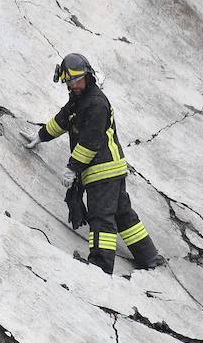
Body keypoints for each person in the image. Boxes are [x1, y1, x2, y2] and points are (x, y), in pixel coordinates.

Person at [22, 53, 165, 274]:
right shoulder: (80, 99)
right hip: (111, 168)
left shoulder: (96, 103)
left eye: (77, 80)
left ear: (88, 76)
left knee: (101, 218)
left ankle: (100, 266)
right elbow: (64, 119)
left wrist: (72, 168)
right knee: (123, 213)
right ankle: (149, 256)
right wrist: (40, 135)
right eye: (69, 82)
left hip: (102, 170)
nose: (73, 85)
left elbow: (90, 143)